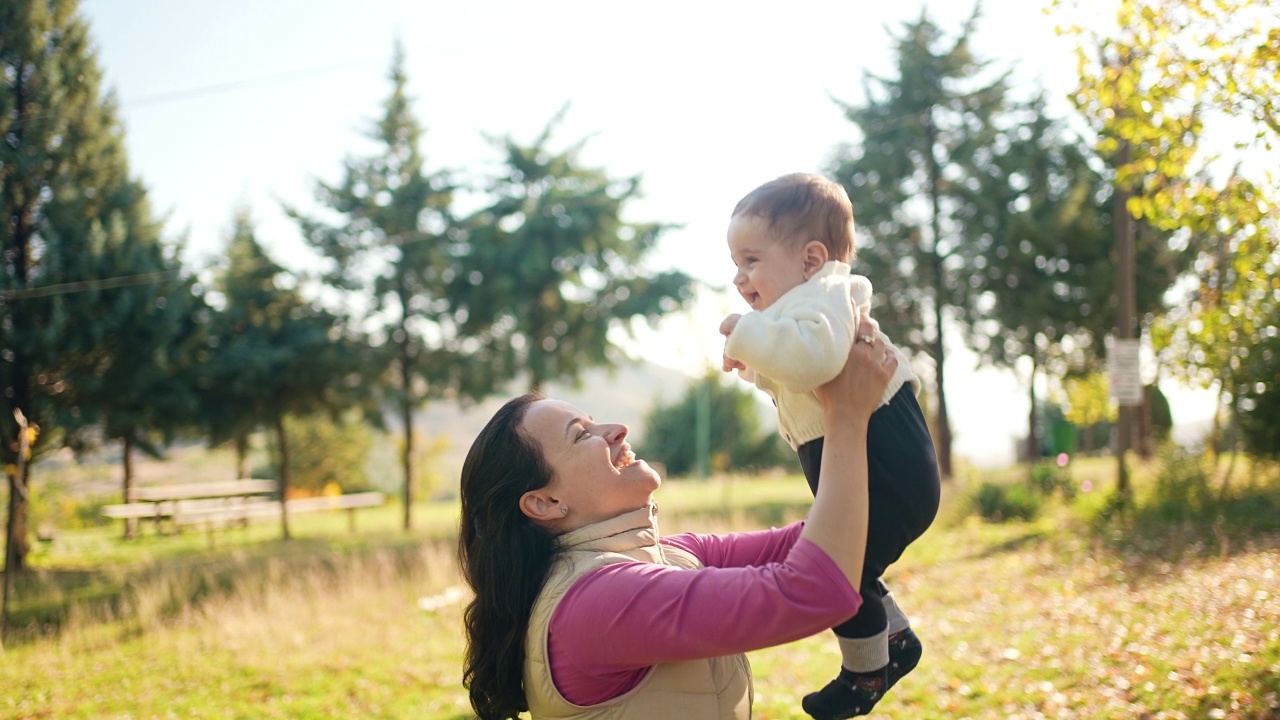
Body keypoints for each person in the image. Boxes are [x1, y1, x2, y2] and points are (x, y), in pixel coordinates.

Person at [458, 321, 897, 720]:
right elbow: (812, 590)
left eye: (592, 420)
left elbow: (846, 535)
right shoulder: (597, 604)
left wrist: (794, 377)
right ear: (545, 502)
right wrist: (845, 419)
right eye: (580, 435)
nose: (615, 429)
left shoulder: (672, 554)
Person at [718, 172, 941, 719]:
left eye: (750, 260)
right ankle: (895, 641)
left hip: (886, 462)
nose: (739, 277)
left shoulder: (828, 295)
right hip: (861, 458)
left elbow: (811, 361)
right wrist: (755, 364)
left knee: (834, 571)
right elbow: (798, 377)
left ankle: (865, 674)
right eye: (735, 265)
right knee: (848, 564)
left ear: (811, 259)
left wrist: (747, 333)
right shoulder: (805, 308)